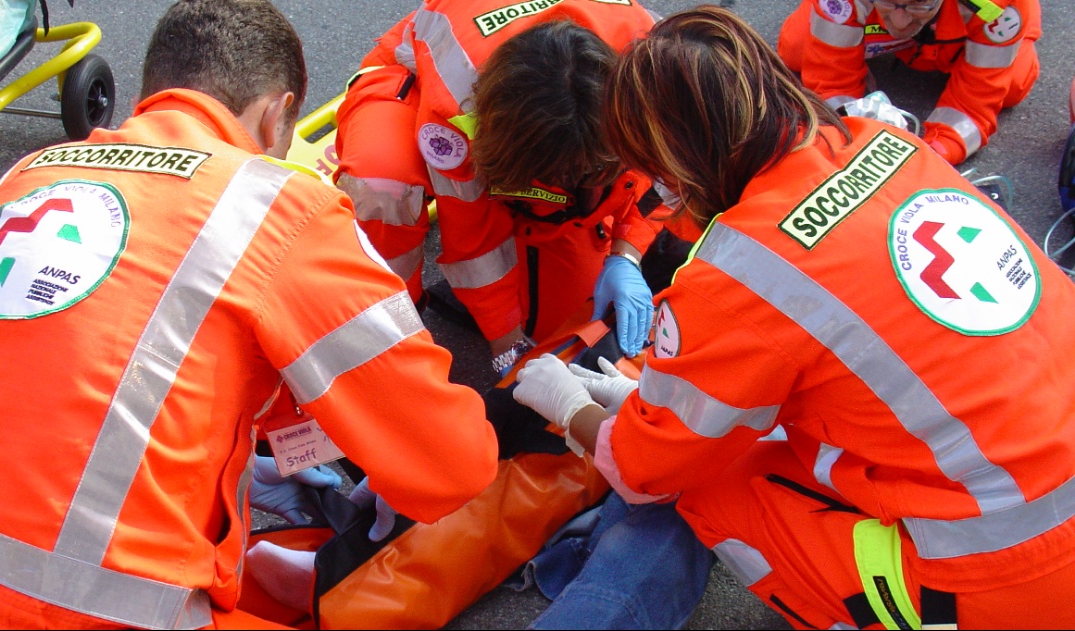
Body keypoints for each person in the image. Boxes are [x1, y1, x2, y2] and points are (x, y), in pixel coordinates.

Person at [0, 1, 499, 628]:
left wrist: (257, 450)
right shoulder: (280, 209)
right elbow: (452, 467)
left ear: (153, 91)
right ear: (276, 113)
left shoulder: (27, 177)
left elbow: (71, 355)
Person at [512, 5, 1075, 629]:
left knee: (711, 480)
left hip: (1004, 577)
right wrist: (641, 401)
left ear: (676, 159)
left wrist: (572, 407)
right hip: (1039, 472)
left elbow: (647, 472)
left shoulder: (739, 276)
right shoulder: (889, 143)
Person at [332, 0, 669, 376]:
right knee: (384, 184)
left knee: (560, 324)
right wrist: (505, 346)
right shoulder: (455, 107)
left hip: (531, 114)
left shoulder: (657, 67)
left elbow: (668, 176)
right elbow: (473, 239)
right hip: (413, 79)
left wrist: (627, 252)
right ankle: (388, 328)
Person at [777, 0, 1041, 166]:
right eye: (890, 3)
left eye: (918, 4)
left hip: (969, 21)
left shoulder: (999, 7)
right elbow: (830, 84)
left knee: (1013, 86)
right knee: (796, 50)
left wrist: (935, 151)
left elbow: (973, 108)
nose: (900, 21)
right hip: (885, 19)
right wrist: (847, 129)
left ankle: (1013, 34)